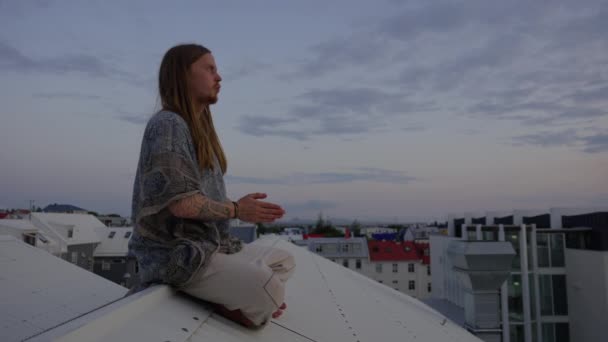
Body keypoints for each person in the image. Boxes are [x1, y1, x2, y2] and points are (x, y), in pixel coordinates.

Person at [128, 43, 295, 329]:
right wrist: (236, 209)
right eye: (210, 69)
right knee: (270, 289)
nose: (219, 77)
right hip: (175, 255)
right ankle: (226, 301)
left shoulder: (197, 129)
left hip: (209, 247)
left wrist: (236, 207)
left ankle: (237, 294)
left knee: (284, 260)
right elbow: (181, 203)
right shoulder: (168, 125)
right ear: (183, 74)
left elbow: (200, 198)